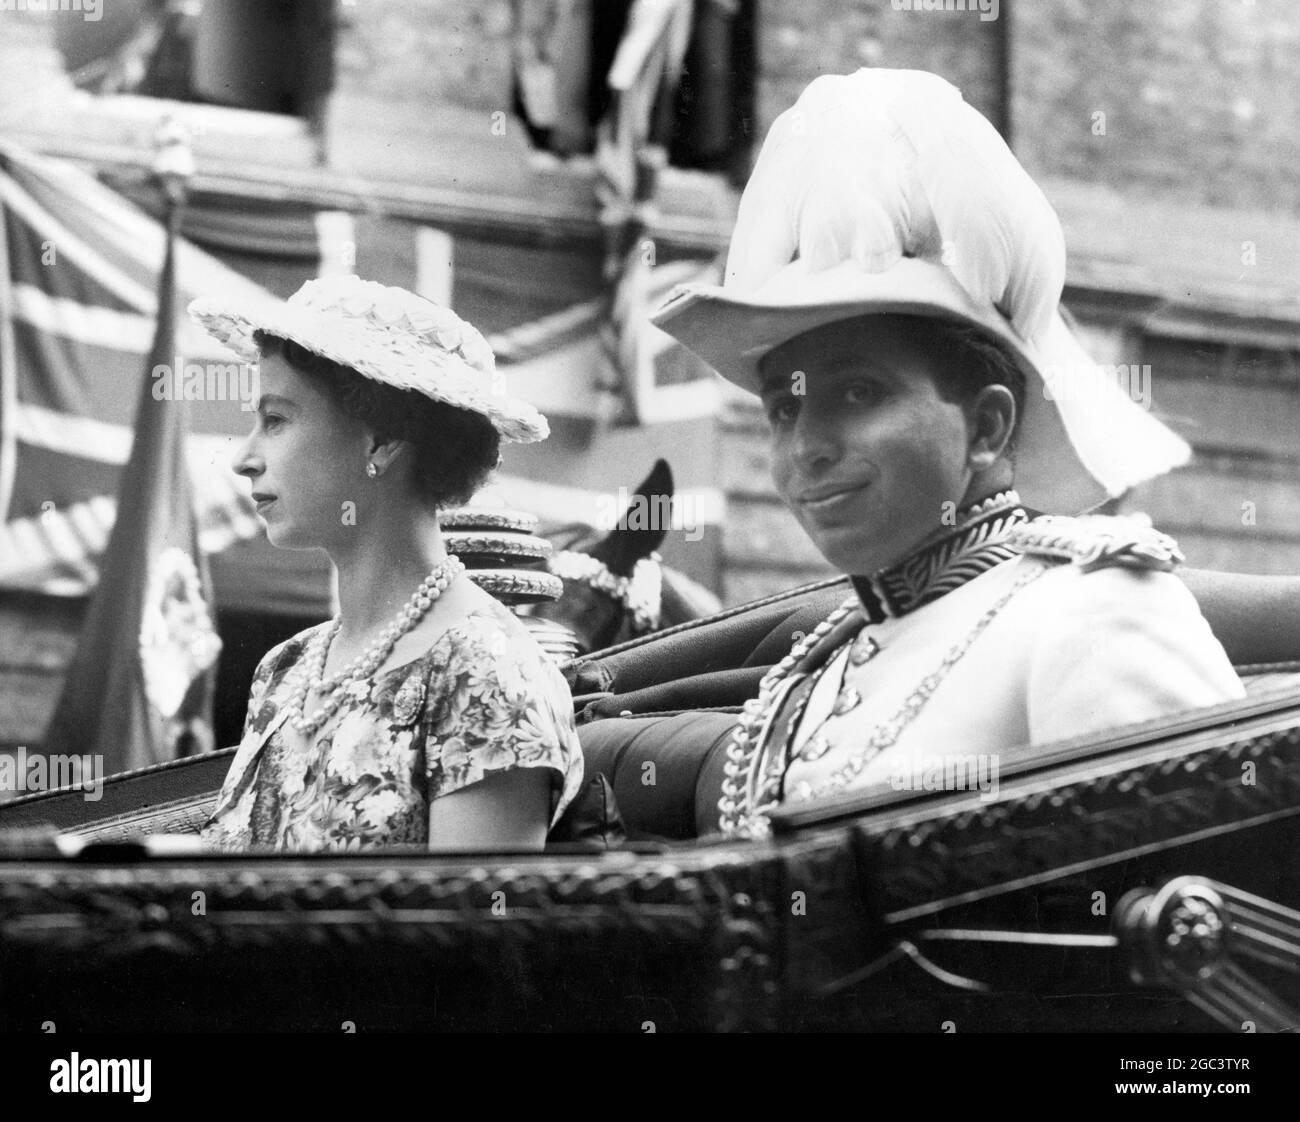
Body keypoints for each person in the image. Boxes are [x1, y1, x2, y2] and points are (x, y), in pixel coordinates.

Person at [648, 69, 1245, 838]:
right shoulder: (817, 671)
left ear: (988, 428)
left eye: (859, 393)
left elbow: (1194, 915)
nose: (808, 446)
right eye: (784, 407)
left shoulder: (1094, 613)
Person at [188, 275, 584, 852]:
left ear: (382, 440)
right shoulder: (287, 668)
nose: (244, 459)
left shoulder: (484, 672)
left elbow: (472, 932)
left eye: (276, 420)